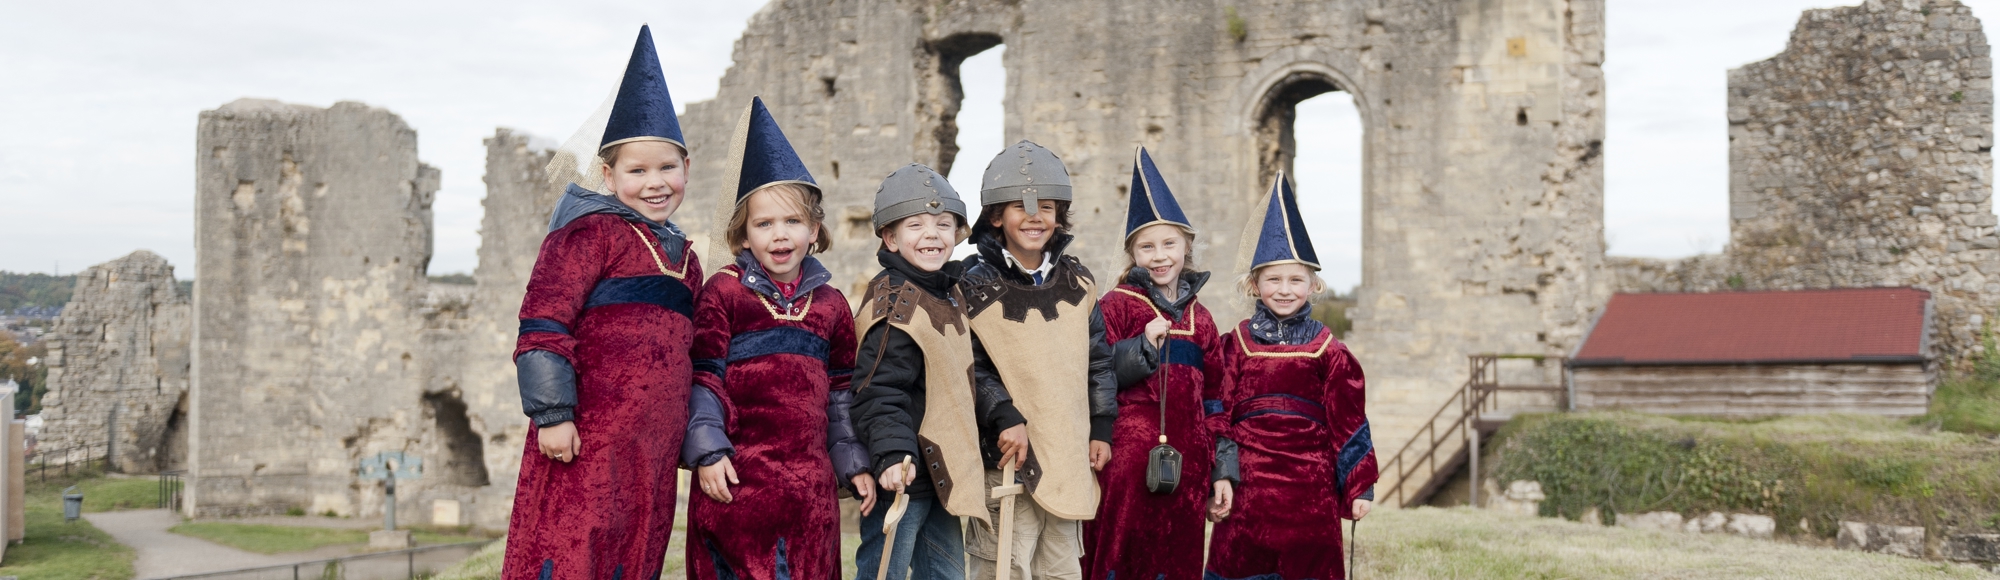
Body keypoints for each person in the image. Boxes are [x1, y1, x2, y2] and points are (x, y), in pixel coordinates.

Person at [504, 24, 702, 580]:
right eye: (637, 171)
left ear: (687, 168)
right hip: (585, 434)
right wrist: (553, 415)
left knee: (635, 553)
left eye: (667, 168)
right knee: (572, 549)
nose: (654, 182)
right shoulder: (587, 235)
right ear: (610, 175)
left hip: (650, 449)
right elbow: (543, 323)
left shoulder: (688, 259)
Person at [682, 96, 873, 580]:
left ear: (814, 230)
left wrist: (851, 462)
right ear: (743, 235)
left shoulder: (830, 305)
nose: (779, 234)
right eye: (764, 224)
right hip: (737, 484)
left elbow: (840, 394)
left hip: (810, 493)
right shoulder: (723, 292)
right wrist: (708, 451)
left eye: (792, 222)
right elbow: (704, 379)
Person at [1205, 173, 1378, 580]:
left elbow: (1349, 420)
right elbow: (1218, 413)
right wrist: (1221, 474)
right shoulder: (1236, 345)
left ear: (1313, 284)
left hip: (1310, 489)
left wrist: (1358, 486)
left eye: (1296, 280)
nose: (1285, 290)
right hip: (1247, 487)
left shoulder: (1329, 349)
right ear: (1254, 284)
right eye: (1274, 279)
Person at [958, 141, 1118, 580]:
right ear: (995, 217)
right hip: (1006, 454)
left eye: (1046, 207)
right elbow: (969, 366)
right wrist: (1003, 414)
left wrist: (1101, 426)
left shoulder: (1078, 281)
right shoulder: (972, 285)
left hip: (1068, 450)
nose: (1035, 217)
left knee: (1061, 567)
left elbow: (1098, 362)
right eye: (1020, 207)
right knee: (1006, 565)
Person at [1081, 148, 1233, 580]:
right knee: (1121, 558)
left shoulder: (1201, 318)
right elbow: (1096, 374)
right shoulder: (1116, 305)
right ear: (1132, 253)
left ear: (1187, 247)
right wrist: (1142, 345)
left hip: (1188, 469)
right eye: (1147, 247)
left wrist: (1221, 470)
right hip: (1126, 466)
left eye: (1170, 244)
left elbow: (1215, 400)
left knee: (1177, 562)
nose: (1160, 255)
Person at [852, 164, 985, 580]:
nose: (932, 234)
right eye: (916, 225)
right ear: (890, 237)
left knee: (946, 576)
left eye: (944, 224)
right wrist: (892, 455)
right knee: (883, 573)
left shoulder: (946, 293)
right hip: (903, 475)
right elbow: (879, 388)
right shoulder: (898, 302)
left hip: (941, 477)